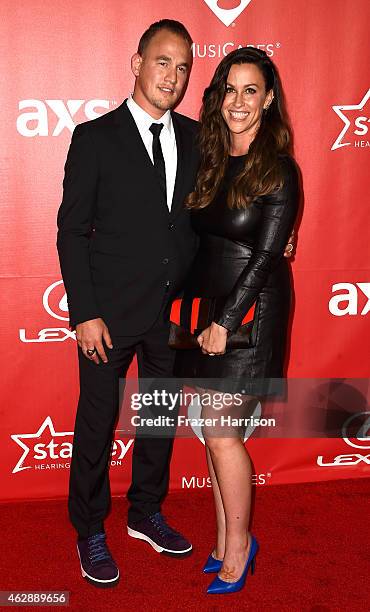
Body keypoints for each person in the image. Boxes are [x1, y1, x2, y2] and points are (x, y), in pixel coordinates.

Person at [57, 20, 200, 588]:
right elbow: (71, 232)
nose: (173, 76)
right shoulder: (95, 138)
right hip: (107, 319)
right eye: (163, 62)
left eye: (184, 67)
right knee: (96, 425)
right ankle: (90, 527)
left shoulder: (194, 139)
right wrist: (84, 313)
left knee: (159, 421)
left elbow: (210, 217)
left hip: (171, 316)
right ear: (136, 63)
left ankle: (145, 513)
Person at [174, 47, 300, 594]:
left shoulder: (279, 171)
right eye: (231, 89)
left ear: (269, 100)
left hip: (253, 312)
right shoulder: (209, 158)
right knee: (212, 432)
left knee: (223, 432)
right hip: (210, 314)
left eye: (252, 90)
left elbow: (268, 257)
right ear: (217, 97)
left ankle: (240, 549)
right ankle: (227, 541)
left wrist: (226, 320)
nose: (239, 102)